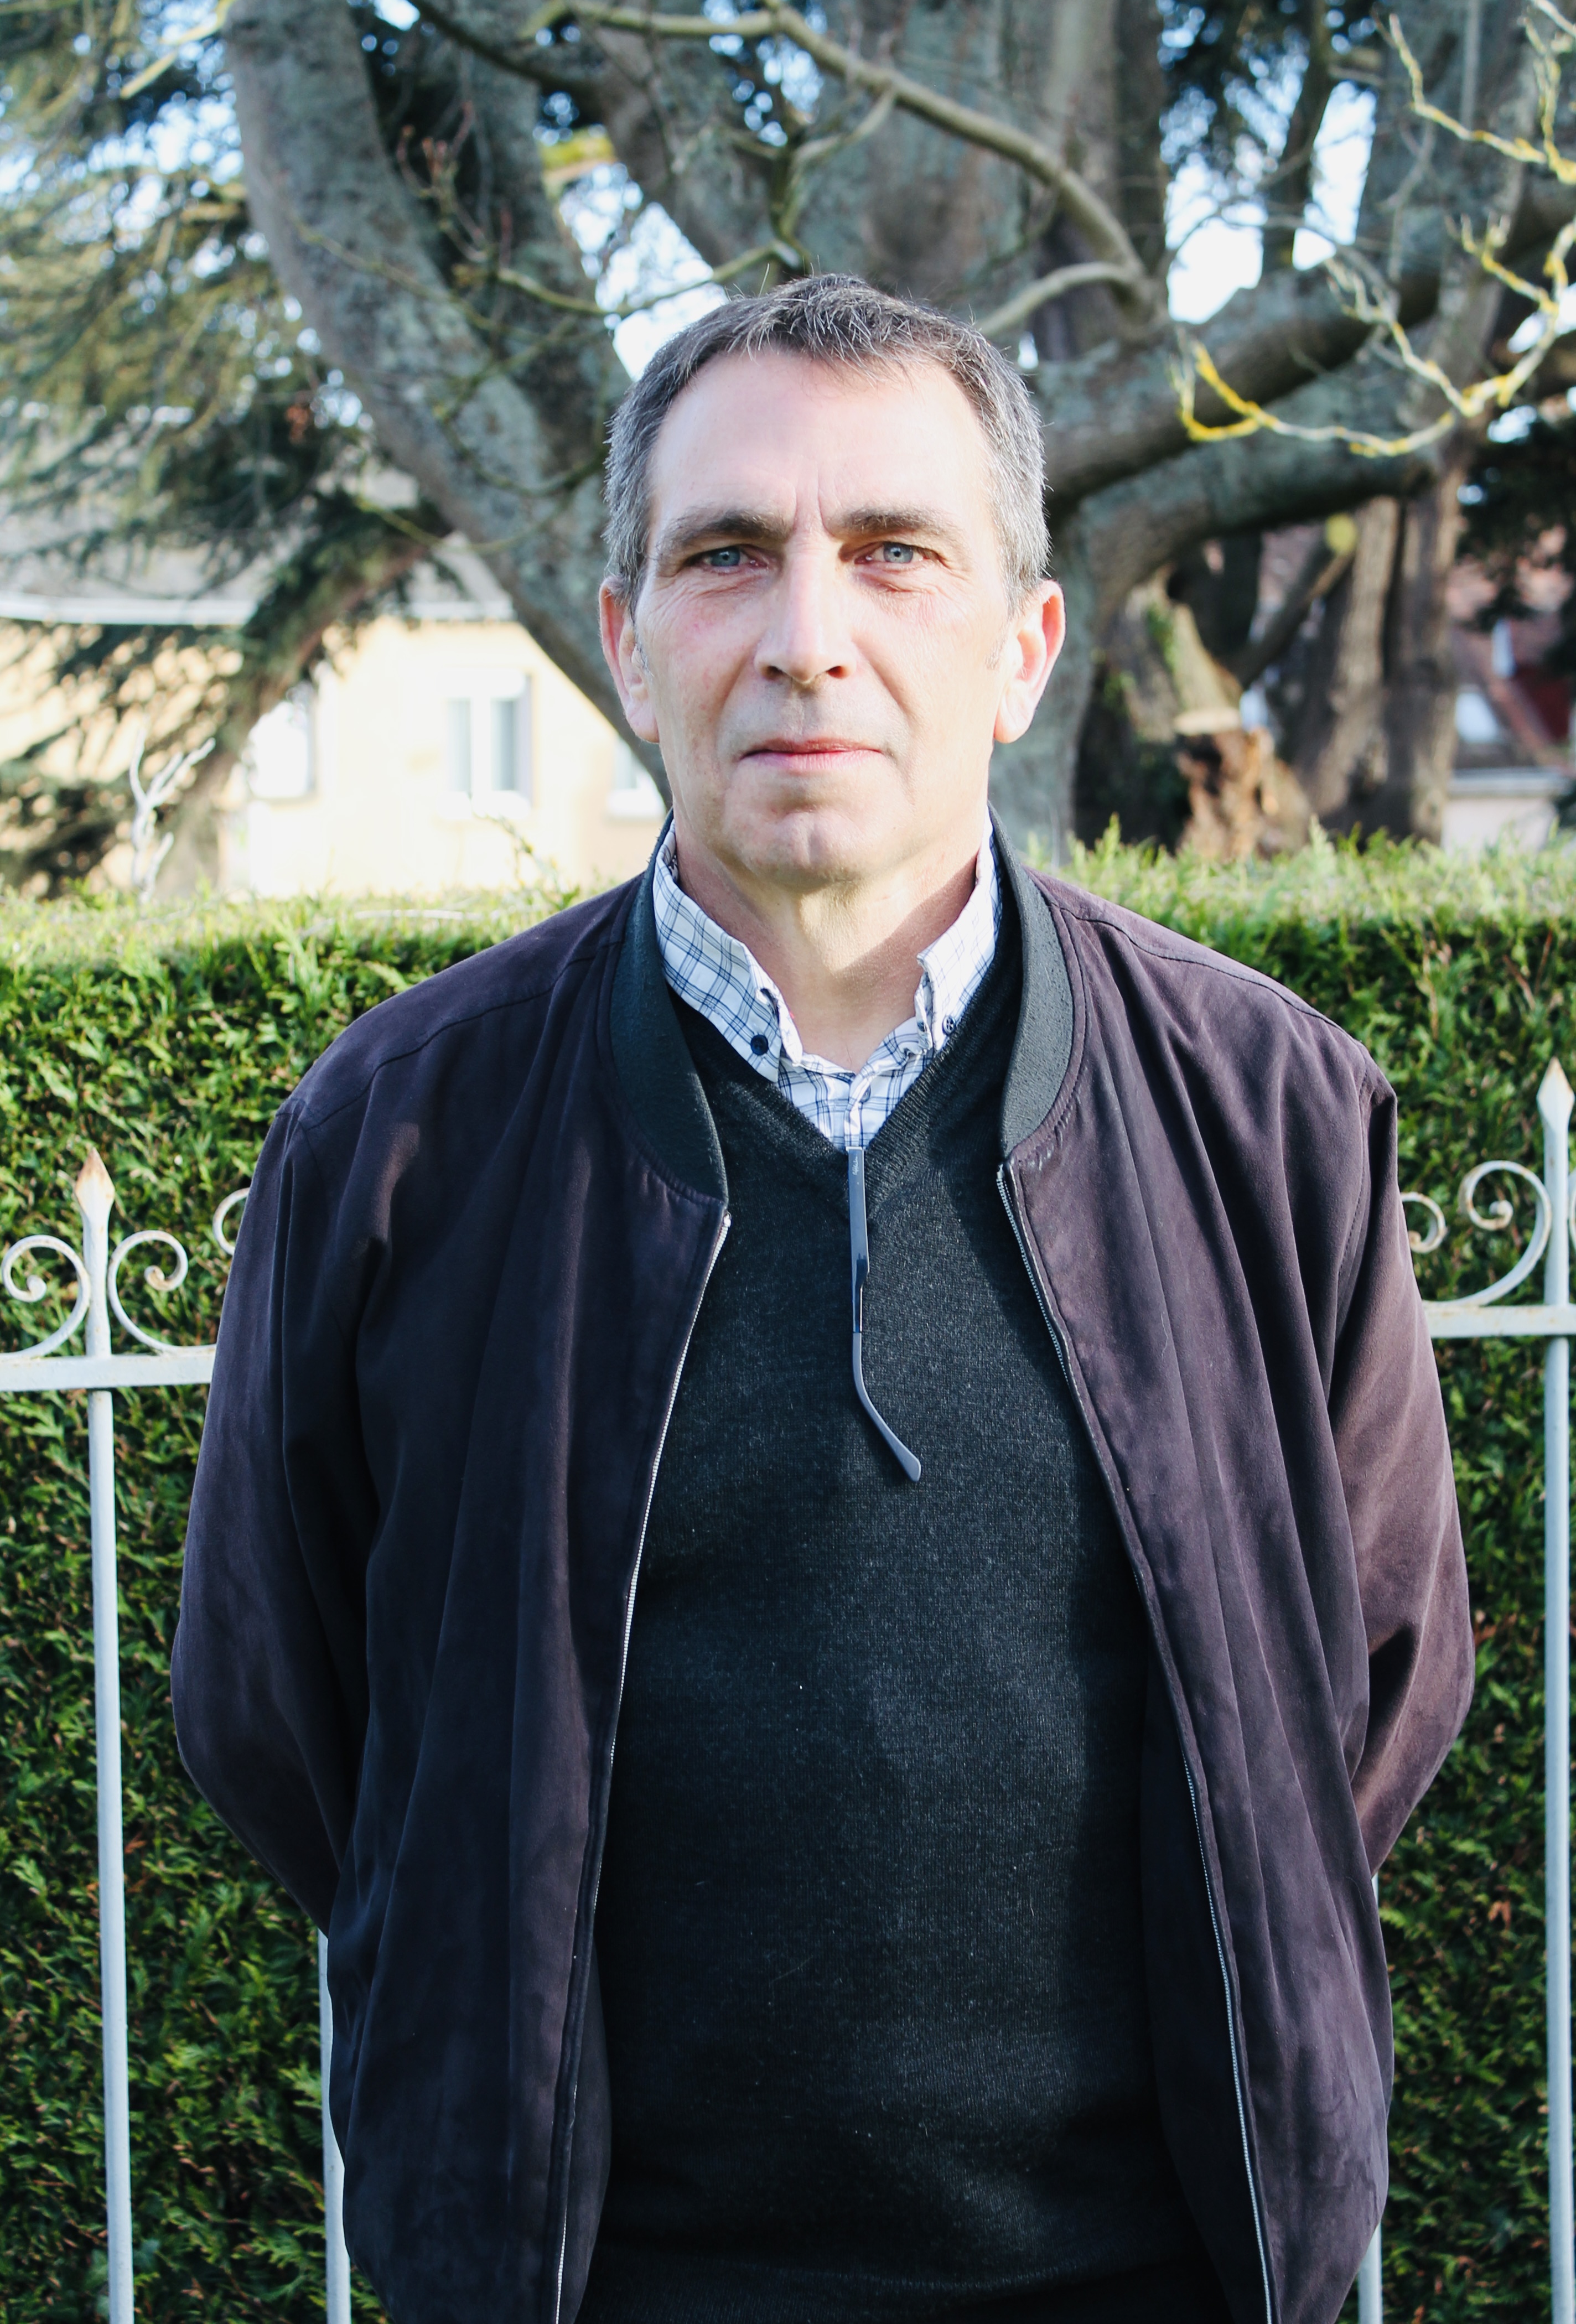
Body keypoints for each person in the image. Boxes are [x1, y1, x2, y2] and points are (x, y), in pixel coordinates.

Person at [173, 275, 1472, 2324]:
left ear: (1025, 648)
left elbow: (1374, 1684)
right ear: (627, 642)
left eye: (894, 552)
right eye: (726, 555)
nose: (807, 635)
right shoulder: (400, 1137)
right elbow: (282, 1711)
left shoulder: (1269, 1112)